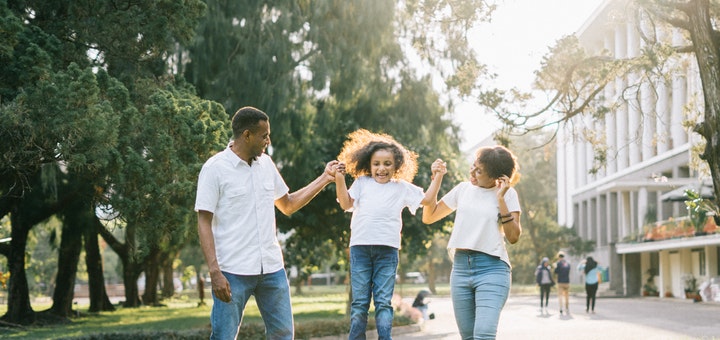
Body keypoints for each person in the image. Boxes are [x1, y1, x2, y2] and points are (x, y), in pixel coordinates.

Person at [195, 106, 338, 340]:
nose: (268, 141)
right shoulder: (215, 169)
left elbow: (288, 204)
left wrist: (325, 178)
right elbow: (203, 221)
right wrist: (214, 271)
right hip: (232, 271)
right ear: (247, 135)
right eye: (264, 136)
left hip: (271, 268)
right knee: (223, 335)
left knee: (283, 335)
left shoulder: (267, 165)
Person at [333, 129, 442, 340]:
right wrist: (339, 178)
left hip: (387, 251)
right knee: (360, 303)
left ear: (396, 165)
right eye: (376, 164)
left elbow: (428, 200)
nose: (381, 169)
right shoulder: (362, 183)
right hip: (361, 249)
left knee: (383, 302)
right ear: (368, 164)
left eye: (387, 164)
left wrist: (438, 176)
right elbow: (346, 203)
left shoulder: (401, 187)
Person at [422, 145, 522, 339]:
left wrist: (500, 199)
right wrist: (437, 179)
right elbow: (429, 216)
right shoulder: (463, 189)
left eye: (479, 171)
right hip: (460, 269)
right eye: (473, 166)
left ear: (497, 177)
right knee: (468, 337)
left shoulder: (509, 194)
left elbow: (513, 237)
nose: (473, 172)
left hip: (492, 269)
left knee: (483, 334)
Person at [554, 251, 571, 315]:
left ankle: (561, 308)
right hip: (567, 282)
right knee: (566, 296)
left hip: (560, 282)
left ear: (559, 257)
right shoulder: (567, 263)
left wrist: (555, 267)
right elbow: (568, 270)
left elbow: (556, 272)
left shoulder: (558, 263)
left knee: (560, 295)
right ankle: (567, 307)